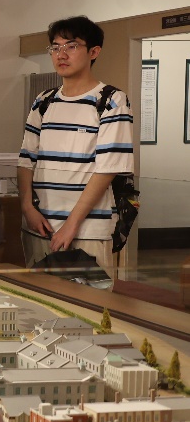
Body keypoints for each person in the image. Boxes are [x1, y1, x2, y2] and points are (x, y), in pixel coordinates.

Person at [18, 16, 134, 278]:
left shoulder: (111, 100)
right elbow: (26, 160)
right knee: (37, 298)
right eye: (55, 47)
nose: (61, 54)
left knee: (90, 300)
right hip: (40, 225)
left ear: (94, 52)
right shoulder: (44, 101)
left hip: (87, 229)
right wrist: (27, 208)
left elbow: (108, 168)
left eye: (71, 46)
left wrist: (72, 225)